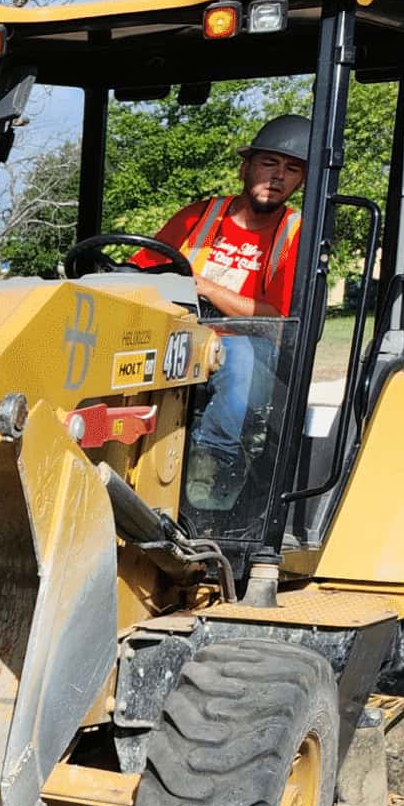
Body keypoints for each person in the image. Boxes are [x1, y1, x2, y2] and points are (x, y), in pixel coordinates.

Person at [137, 114, 309, 513]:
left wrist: (207, 287)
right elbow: (143, 272)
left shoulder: (295, 233)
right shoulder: (197, 217)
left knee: (241, 355)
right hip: (181, 340)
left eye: (292, 169)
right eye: (270, 164)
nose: (278, 177)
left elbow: (277, 319)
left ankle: (214, 468)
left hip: (255, 350)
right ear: (245, 168)